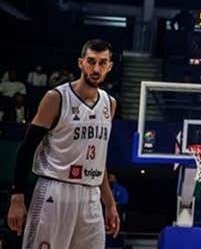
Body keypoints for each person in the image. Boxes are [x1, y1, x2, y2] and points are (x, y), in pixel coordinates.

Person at [6, 39, 121, 247]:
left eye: (103, 63)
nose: (96, 68)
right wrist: (17, 196)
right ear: (80, 63)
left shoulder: (109, 104)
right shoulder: (56, 97)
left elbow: (98, 159)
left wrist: (110, 203)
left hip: (91, 195)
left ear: (109, 67)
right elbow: (26, 149)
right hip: (55, 189)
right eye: (91, 61)